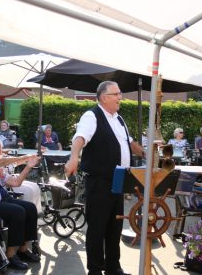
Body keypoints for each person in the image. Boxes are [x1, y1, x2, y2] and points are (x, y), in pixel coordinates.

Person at [65, 81, 144, 275]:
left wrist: (147, 154)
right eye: (116, 94)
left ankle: (113, 267)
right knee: (97, 228)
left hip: (119, 182)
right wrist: (74, 157)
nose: (120, 97)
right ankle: (95, 270)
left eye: (120, 93)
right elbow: (80, 137)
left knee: (115, 226)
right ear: (103, 97)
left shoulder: (119, 119)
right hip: (99, 182)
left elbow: (130, 141)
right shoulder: (91, 115)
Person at [0, 138, 42, 215]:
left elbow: (16, 162)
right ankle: (27, 213)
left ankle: (36, 212)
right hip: (6, 184)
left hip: (13, 178)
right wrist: (23, 157)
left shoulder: (4, 156)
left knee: (35, 186)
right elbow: (3, 162)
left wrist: (31, 158)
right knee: (29, 190)